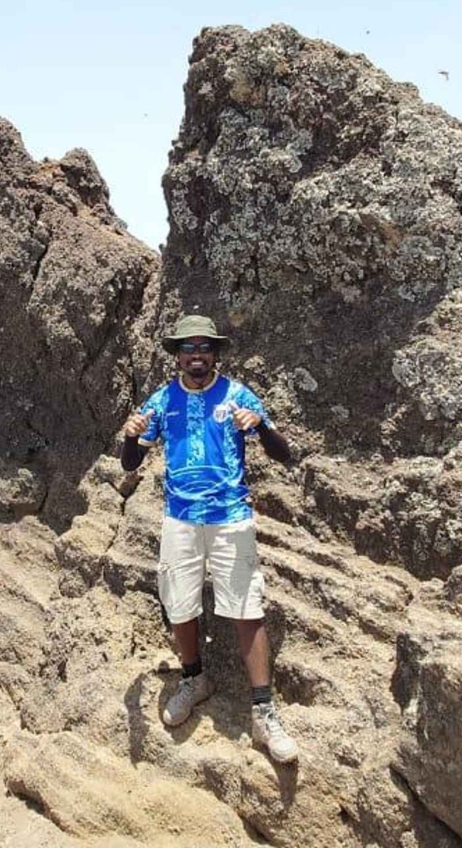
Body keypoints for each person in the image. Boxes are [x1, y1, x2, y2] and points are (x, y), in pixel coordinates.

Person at [120, 314, 298, 764]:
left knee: (246, 606)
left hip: (230, 517)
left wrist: (259, 425)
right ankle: (194, 679)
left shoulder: (238, 395)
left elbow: (284, 454)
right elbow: (128, 463)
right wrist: (130, 437)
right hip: (179, 518)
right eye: (187, 348)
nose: (196, 355)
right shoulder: (161, 402)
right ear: (177, 355)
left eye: (203, 347)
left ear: (214, 353)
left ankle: (263, 710)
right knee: (179, 602)